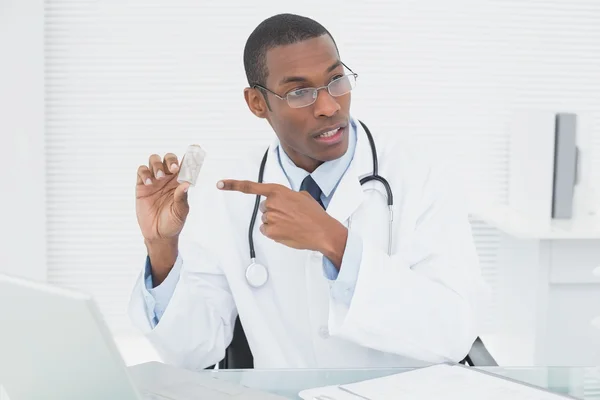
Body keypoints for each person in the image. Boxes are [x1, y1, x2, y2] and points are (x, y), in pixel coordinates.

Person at [129, 13, 489, 370]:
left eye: (336, 81)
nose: (329, 106)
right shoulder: (226, 193)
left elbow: (454, 332)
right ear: (257, 103)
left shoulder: (421, 175)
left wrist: (335, 242)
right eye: (299, 92)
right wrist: (161, 249)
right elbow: (193, 351)